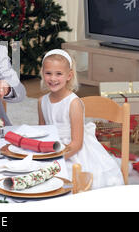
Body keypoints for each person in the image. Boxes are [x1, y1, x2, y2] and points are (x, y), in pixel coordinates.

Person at [37, 49, 124, 189]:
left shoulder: (74, 103)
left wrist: (56, 160)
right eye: (48, 73)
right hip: (51, 148)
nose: (53, 78)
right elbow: (43, 133)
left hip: (73, 151)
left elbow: (76, 144)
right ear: (42, 73)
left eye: (59, 74)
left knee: (64, 179)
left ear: (69, 75)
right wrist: (42, 155)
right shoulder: (42, 101)